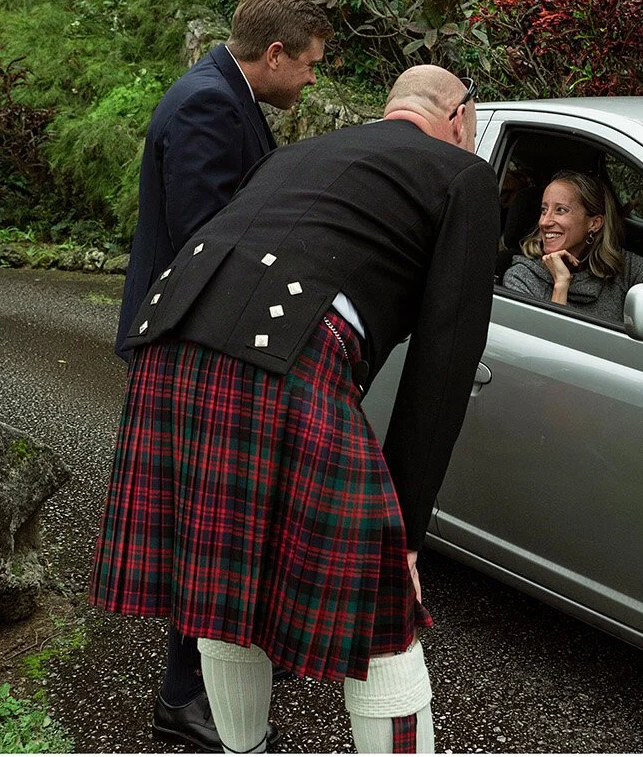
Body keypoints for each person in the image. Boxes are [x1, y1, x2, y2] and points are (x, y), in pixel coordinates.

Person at [93, 65, 494, 754]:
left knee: (223, 581)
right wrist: (405, 531)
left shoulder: (299, 151)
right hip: (284, 353)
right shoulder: (464, 175)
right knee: (382, 607)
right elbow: (445, 361)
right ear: (459, 115)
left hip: (169, 340)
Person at [112, 0, 330, 749]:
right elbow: (207, 241)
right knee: (197, 524)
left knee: (201, 525)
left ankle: (191, 686)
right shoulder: (207, 105)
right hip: (188, 344)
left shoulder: (218, 93)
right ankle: (182, 695)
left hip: (196, 340)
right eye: (307, 66)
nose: (309, 82)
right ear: (273, 55)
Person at [500, 170, 643, 324]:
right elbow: (547, 351)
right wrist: (560, 285)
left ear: (594, 223)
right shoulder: (521, 277)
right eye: (544, 210)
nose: (544, 222)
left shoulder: (623, 267)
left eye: (561, 210)